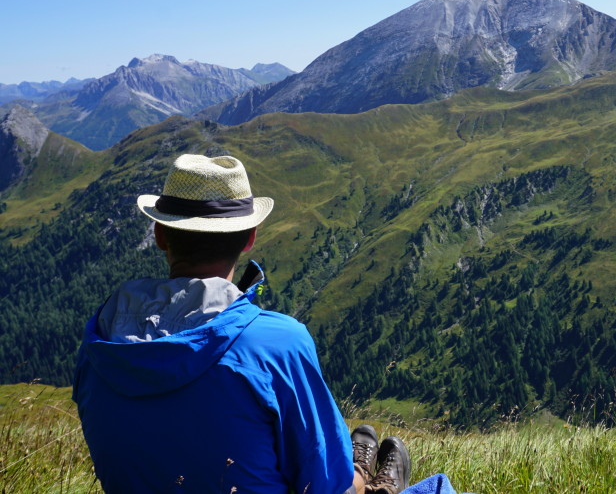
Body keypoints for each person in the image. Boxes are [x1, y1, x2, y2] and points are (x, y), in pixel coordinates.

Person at [72, 154, 411, 493]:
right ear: (250, 237)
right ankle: (367, 481)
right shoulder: (276, 344)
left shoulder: (99, 343)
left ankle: (361, 472)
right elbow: (324, 486)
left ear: (160, 234)